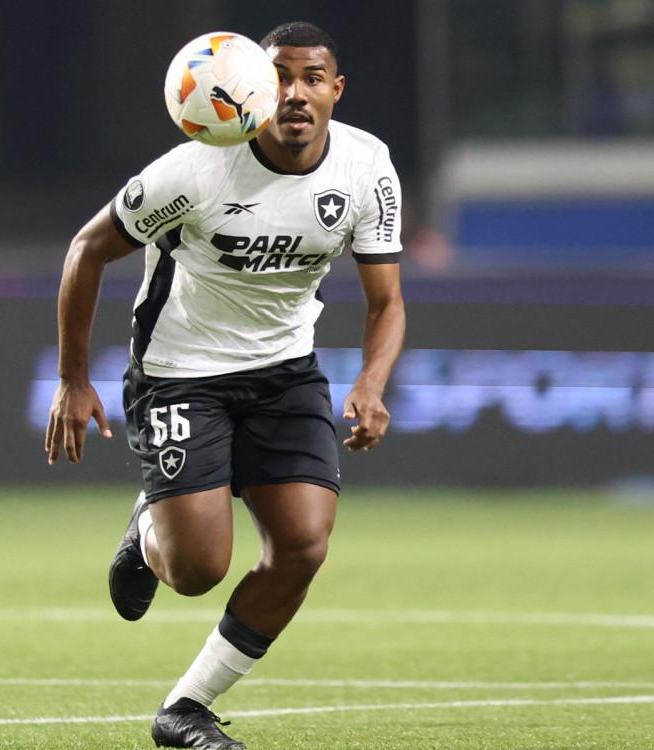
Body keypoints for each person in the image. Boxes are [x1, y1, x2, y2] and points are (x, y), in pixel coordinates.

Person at [44, 22, 404, 750]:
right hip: (182, 377)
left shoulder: (368, 167)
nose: (298, 93)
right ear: (257, 87)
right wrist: (72, 379)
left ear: (336, 90)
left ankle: (185, 710)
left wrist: (371, 380)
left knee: (303, 545)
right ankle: (151, 528)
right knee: (197, 570)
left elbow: (386, 302)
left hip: (285, 373)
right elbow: (87, 249)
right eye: (283, 78)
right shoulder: (197, 171)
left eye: (314, 78)